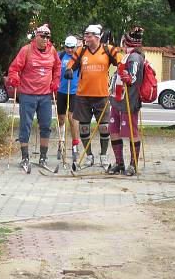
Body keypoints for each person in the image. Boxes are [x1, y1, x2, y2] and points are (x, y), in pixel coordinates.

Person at [63, 24, 122, 168]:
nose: (86, 38)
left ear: (96, 37)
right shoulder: (81, 51)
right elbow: (71, 63)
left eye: (88, 36)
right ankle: (89, 156)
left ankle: (103, 155)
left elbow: (121, 60)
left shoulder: (108, 50)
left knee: (104, 127)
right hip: (83, 96)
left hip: (101, 95)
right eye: (85, 35)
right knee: (84, 128)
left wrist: (123, 68)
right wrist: (69, 70)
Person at [7, 23, 61, 173]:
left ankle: (43, 157)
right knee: (25, 126)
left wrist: (56, 81)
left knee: (46, 126)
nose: (45, 39)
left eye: (48, 37)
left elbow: (57, 67)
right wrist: (13, 78)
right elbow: (14, 68)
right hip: (28, 94)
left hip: (45, 96)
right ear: (36, 36)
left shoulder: (52, 51)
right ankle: (25, 157)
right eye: (43, 36)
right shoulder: (27, 50)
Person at [108, 27, 145, 176]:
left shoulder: (135, 57)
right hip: (117, 100)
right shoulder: (125, 56)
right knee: (113, 131)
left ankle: (133, 165)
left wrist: (128, 78)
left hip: (129, 101)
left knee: (131, 133)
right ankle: (119, 163)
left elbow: (133, 78)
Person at [56, 35, 81, 164]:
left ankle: (75, 146)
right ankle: (61, 143)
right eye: (67, 47)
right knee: (61, 118)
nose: (69, 50)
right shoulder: (60, 56)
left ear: (75, 47)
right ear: (64, 46)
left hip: (74, 92)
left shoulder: (78, 57)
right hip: (61, 91)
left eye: (72, 47)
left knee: (72, 118)